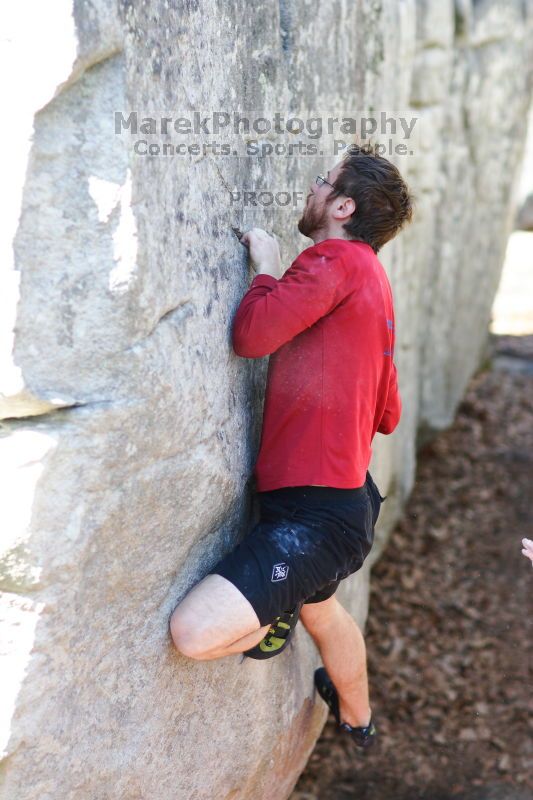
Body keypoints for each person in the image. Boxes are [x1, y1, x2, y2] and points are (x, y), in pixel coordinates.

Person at [170, 142, 414, 748]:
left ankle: (277, 608)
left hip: (310, 517)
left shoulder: (331, 260)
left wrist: (268, 268)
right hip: (346, 504)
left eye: (321, 181)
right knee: (323, 612)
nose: (311, 188)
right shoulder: (374, 283)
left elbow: (252, 336)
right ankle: (358, 722)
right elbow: (389, 414)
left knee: (192, 633)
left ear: (343, 206)